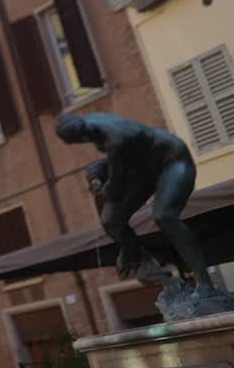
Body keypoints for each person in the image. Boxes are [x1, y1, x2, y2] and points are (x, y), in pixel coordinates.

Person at [56, 112, 215, 294]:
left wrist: (102, 181)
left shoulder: (115, 140)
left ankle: (205, 284)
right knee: (110, 221)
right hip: (143, 170)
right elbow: (124, 158)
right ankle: (147, 264)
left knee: (164, 216)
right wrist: (127, 246)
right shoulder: (92, 122)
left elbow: (114, 187)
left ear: (81, 136)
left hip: (172, 161)